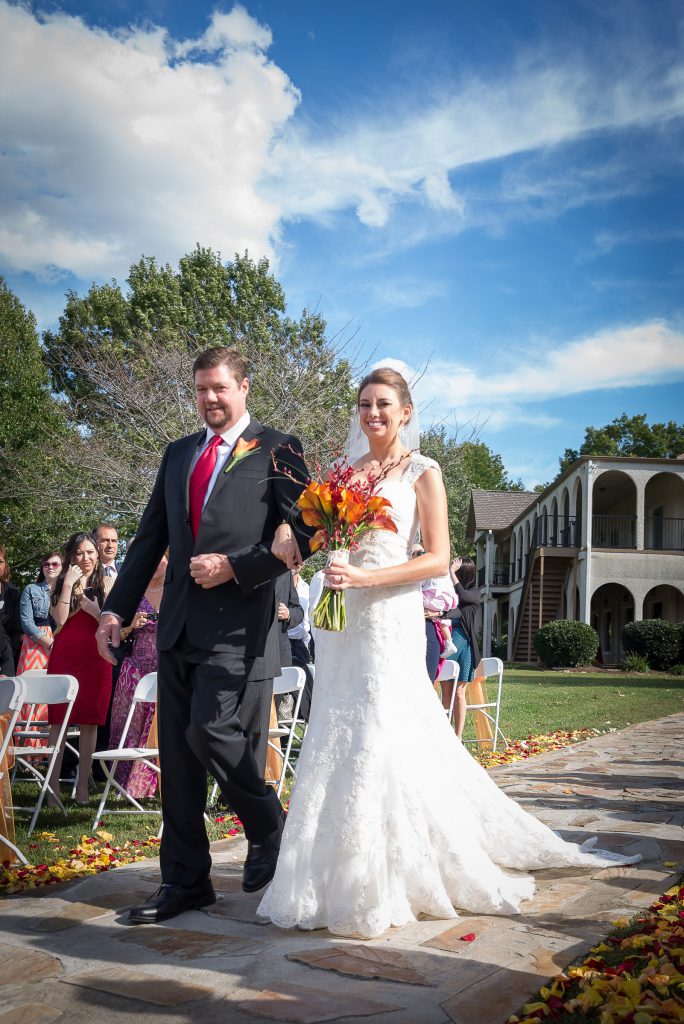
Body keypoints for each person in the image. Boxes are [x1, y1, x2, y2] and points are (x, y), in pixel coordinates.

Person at [258, 366, 638, 939]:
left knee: (381, 729)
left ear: (406, 411)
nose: (372, 414)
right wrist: (295, 537)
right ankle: (323, 875)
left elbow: (439, 560)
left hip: (387, 615)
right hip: (340, 621)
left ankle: (387, 874)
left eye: (383, 404)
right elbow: (317, 537)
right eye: (364, 404)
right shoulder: (344, 474)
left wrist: (367, 580)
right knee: (337, 725)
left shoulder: (422, 471)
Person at [96, 345, 312, 925]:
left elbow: (309, 530)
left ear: (244, 387)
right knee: (181, 761)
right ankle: (186, 882)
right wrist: (114, 611)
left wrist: (237, 567)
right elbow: (148, 541)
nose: (210, 399)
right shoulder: (177, 454)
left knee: (210, 731)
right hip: (178, 629)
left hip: (241, 627)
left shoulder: (279, 448)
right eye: (200, 390)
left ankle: (269, 827)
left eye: (220, 388)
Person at [46, 532, 114, 804]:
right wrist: (68, 585)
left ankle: (83, 788)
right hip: (65, 656)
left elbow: (115, 626)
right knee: (58, 721)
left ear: (97, 556)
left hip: (96, 658)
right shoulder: (63, 581)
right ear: (71, 557)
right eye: (79, 554)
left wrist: (97, 612)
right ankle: (51, 789)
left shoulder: (109, 582)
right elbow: (59, 619)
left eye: (90, 553)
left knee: (90, 721)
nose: (85, 559)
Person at [107, 552, 167, 799]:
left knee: (161, 728)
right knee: (129, 728)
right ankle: (125, 785)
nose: (154, 563)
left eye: (160, 558)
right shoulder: (133, 592)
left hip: (166, 667)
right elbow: (116, 637)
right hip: (136, 670)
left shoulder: (177, 588)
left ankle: (155, 784)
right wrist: (131, 625)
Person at [15, 551, 63, 748]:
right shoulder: (31, 589)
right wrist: (49, 643)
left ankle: (48, 748)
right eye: (46, 564)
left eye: (55, 564)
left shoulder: (68, 590)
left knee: (54, 693)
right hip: (35, 645)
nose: (50, 567)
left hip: (60, 639)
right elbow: (26, 622)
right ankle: (28, 748)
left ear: (62, 567)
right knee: (30, 693)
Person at [444, 556, 480, 737]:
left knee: (459, 692)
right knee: (446, 689)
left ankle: (457, 736)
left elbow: (464, 596)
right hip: (448, 641)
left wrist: (452, 572)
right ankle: (445, 732)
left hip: (464, 645)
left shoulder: (474, 592)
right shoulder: (448, 592)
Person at [0, 546, 22, 668]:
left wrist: (7, 664)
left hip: (8, 658)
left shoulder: (13, 593)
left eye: (0, 562)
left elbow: (16, 630)